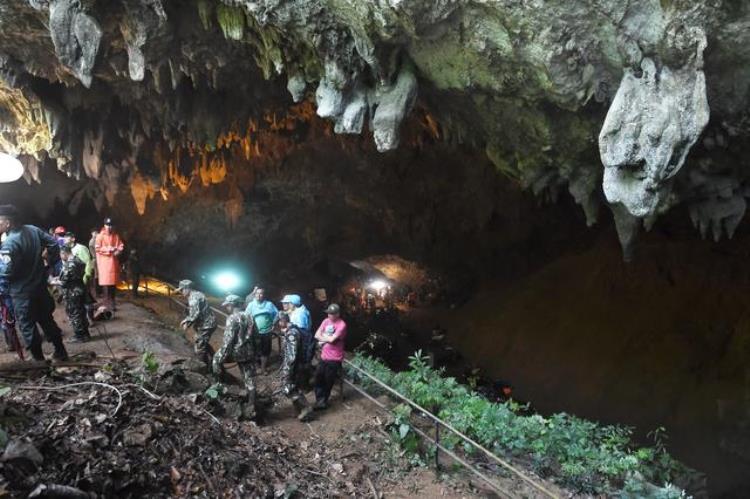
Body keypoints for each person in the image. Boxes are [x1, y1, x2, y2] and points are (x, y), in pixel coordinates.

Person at [0, 205, 68, 361]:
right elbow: (53, 244)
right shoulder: (32, 230)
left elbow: (6, 272)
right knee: (46, 319)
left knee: (27, 326)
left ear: (8, 223)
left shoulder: (9, 244)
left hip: (22, 293)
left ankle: (39, 360)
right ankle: (61, 351)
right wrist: (49, 263)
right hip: (40, 287)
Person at [213, 294, 256, 420]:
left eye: (227, 305)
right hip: (249, 352)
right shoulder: (249, 316)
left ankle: (220, 387)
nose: (226, 307)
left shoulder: (232, 319)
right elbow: (256, 336)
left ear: (232, 305)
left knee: (215, 361)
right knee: (249, 378)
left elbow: (228, 340)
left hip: (236, 352)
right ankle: (251, 405)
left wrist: (222, 355)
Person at [277, 311, 313, 422]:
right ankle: (298, 409)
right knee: (293, 386)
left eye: (279, 321)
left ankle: (306, 407)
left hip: (294, 366)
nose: (278, 324)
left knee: (288, 388)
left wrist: (287, 369)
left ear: (283, 320)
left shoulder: (292, 333)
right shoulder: (292, 330)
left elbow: (292, 355)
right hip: (295, 365)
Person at [52, 245, 91, 342]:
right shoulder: (78, 260)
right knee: (81, 312)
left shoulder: (69, 264)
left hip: (72, 292)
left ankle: (79, 336)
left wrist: (53, 282)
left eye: (61, 254)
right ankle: (85, 333)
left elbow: (64, 282)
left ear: (63, 253)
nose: (61, 257)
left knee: (74, 313)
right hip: (80, 289)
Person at [312, 303, 347, 409]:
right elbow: (316, 335)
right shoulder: (325, 321)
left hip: (334, 358)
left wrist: (324, 338)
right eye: (328, 313)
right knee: (318, 378)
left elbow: (332, 340)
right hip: (324, 356)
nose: (329, 315)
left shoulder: (342, 325)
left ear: (337, 314)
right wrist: (327, 338)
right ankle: (319, 400)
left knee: (328, 380)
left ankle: (323, 401)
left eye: (332, 314)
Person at [177, 279, 217, 366]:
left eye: (182, 290)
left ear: (188, 288)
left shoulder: (193, 298)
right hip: (208, 323)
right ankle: (214, 359)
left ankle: (203, 365)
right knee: (201, 341)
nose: (181, 292)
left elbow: (194, 315)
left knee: (199, 345)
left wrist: (186, 322)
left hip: (207, 324)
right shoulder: (198, 293)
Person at [245, 286, 278, 374]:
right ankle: (257, 366)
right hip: (255, 332)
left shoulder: (269, 304)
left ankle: (263, 368)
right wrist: (248, 328)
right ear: (254, 295)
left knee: (265, 350)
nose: (259, 295)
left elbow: (277, 314)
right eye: (257, 293)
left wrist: (274, 323)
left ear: (264, 295)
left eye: (261, 293)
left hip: (267, 332)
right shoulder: (251, 305)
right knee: (255, 349)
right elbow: (246, 316)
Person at [94, 218, 124, 311]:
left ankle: (112, 303)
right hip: (104, 264)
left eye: (111, 225)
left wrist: (118, 251)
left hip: (113, 264)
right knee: (106, 285)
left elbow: (121, 245)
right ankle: (106, 304)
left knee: (113, 285)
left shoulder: (116, 236)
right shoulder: (100, 236)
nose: (109, 227)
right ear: (104, 225)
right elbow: (97, 248)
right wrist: (109, 249)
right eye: (108, 225)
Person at [281, 294, 313, 365]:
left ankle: (302, 373)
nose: (287, 305)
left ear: (293, 304)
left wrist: (290, 327)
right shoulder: (298, 310)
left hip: (303, 340)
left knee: (301, 358)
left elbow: (302, 330)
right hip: (303, 338)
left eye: (289, 303)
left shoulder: (300, 314)